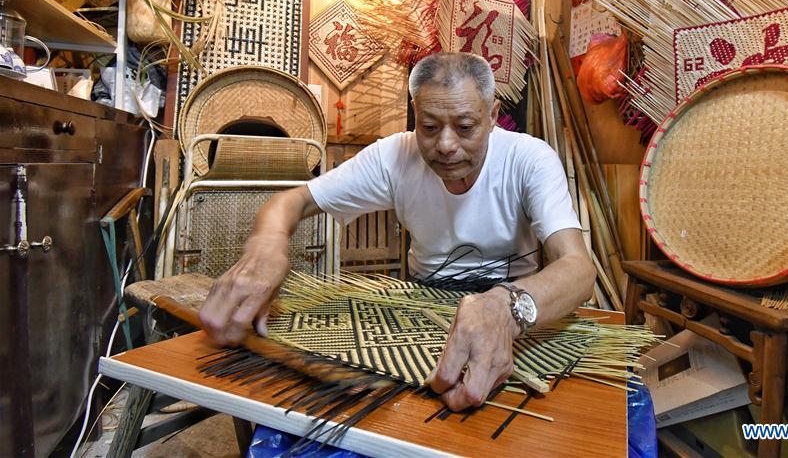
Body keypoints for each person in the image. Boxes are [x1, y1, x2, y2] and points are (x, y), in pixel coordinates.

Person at [199, 52, 595, 411]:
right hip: (424, 303)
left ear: (492, 116)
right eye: (429, 126)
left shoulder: (529, 159)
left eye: (465, 126)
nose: (445, 145)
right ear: (414, 114)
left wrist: (505, 308)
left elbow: (578, 268)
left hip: (513, 302)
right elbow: (292, 202)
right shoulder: (395, 156)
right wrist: (265, 249)